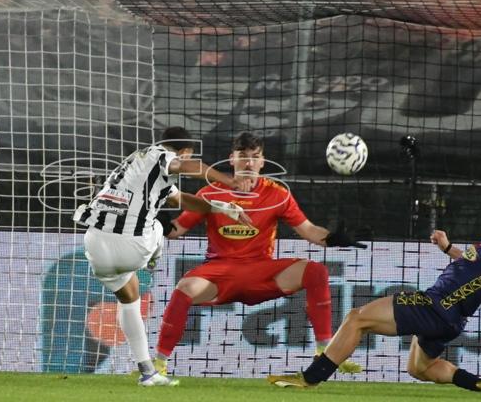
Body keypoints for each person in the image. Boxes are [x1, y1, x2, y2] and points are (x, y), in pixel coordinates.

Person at [268, 189, 481, 394]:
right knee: (420, 368)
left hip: (436, 306)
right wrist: (447, 248)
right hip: (449, 318)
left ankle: (310, 378)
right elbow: (472, 265)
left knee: (357, 318)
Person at [152, 131, 368, 375]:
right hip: (219, 272)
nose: (249, 163)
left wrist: (332, 238)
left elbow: (308, 230)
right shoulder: (210, 193)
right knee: (184, 289)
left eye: (255, 157)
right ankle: (158, 365)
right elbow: (176, 230)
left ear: (263, 162)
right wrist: (161, 223)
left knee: (316, 271)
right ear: (231, 159)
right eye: (243, 156)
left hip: (261, 273)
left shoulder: (277, 194)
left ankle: (324, 353)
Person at [75, 126, 253, 386]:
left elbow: (181, 200)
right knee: (159, 226)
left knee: (130, 298)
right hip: (132, 246)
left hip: (95, 244)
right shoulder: (162, 156)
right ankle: (153, 257)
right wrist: (230, 182)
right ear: (186, 150)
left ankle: (147, 372)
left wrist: (222, 207)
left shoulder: (138, 164)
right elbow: (188, 166)